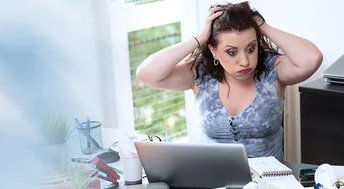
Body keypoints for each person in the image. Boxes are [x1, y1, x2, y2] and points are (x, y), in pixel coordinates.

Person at [135, 1, 322, 161]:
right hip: (212, 183)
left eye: (251, 48)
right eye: (231, 52)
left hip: (268, 187)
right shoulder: (200, 74)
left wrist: (262, 25)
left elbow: (312, 58)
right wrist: (199, 38)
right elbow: (146, 73)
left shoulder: (273, 70)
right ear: (214, 51)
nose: (245, 61)